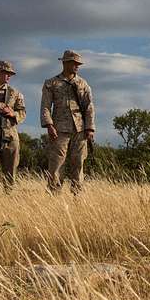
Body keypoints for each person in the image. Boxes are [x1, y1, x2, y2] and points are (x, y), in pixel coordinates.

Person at [41, 50, 95, 194]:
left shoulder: (82, 83)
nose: (77, 66)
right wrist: (49, 125)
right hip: (59, 129)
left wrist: (90, 128)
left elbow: (89, 106)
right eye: (74, 63)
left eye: (78, 64)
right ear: (65, 63)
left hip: (80, 129)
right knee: (57, 165)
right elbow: (45, 106)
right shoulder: (51, 83)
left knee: (78, 164)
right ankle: (54, 194)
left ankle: (78, 195)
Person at [0, 60, 27, 189]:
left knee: (11, 173)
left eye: (10, 74)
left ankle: (9, 199)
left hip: (10, 136)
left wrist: (13, 113)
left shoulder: (15, 93)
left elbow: (22, 112)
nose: (8, 76)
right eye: (6, 73)